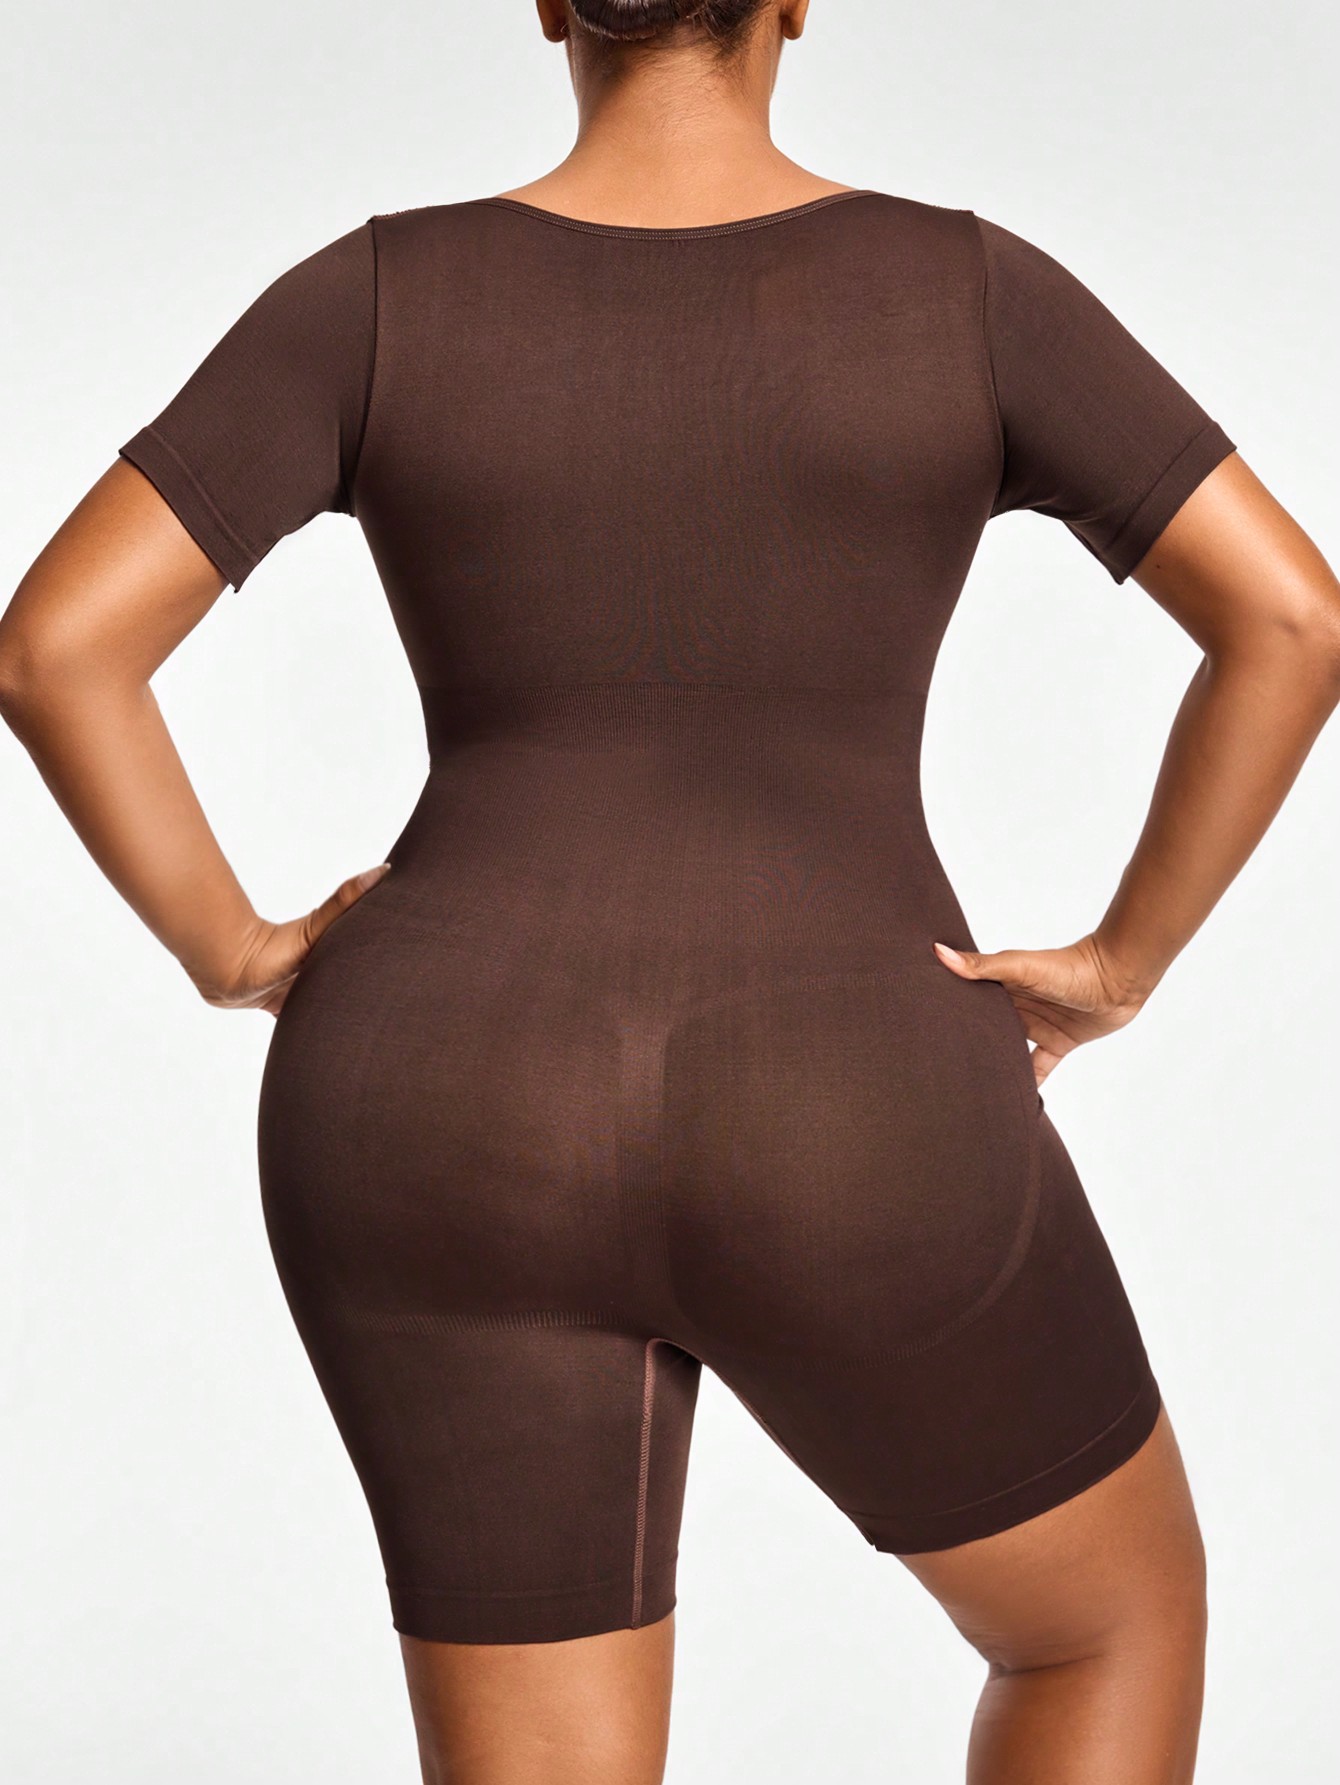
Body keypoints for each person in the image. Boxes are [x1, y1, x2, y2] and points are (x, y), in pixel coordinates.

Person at [3, 1, 1338, 1780]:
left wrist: (233, 948)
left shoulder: (377, 296)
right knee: (1110, 1621)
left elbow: (56, 647)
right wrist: (1122, 960)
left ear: (551, 4)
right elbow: (1292, 619)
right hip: (851, 1085)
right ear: (796, 0)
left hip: (438, 1097)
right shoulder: (964, 293)